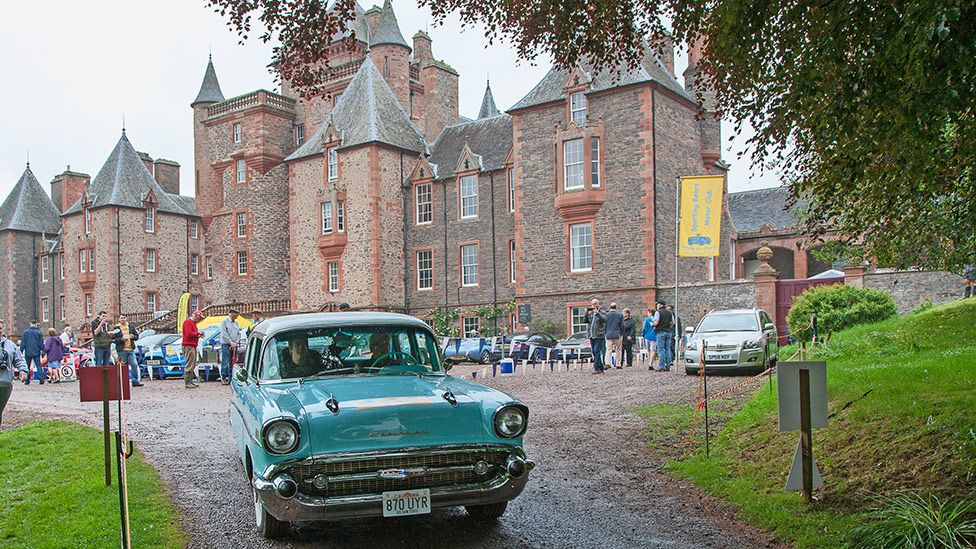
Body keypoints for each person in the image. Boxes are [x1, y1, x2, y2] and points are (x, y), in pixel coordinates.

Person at [0, 321, 28, 427]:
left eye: (0, 328)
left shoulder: (10, 345)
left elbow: (19, 359)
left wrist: (23, 371)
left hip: (5, 384)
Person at [113, 314, 142, 387]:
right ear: (119, 320)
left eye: (124, 318)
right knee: (122, 367)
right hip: (121, 350)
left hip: (130, 349)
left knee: (134, 365)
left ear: (126, 319)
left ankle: (135, 381)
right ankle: (122, 382)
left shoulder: (131, 327)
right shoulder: (116, 328)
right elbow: (113, 339)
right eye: (121, 318)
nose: (123, 319)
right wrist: (121, 339)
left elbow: (137, 336)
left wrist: (133, 336)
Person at [182, 310, 205, 389]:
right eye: (199, 318)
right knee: (189, 364)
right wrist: (198, 334)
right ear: (196, 316)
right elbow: (188, 334)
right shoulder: (188, 322)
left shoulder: (192, 323)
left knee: (192, 364)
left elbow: (191, 334)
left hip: (192, 345)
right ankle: (187, 382)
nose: (200, 320)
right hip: (188, 346)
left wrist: (198, 335)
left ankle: (190, 381)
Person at [220, 310, 242, 385]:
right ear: (231, 314)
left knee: (233, 361)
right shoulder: (224, 322)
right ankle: (224, 377)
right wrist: (230, 342)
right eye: (236, 315)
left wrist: (236, 342)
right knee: (225, 361)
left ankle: (231, 377)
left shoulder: (236, 322)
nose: (237, 317)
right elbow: (224, 333)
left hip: (234, 344)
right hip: (226, 344)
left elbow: (238, 333)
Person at [652, 301, 675, 371]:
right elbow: (673, 322)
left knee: (661, 349)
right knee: (668, 349)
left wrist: (652, 324)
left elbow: (656, 322)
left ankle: (661, 366)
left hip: (660, 332)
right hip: (668, 332)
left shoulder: (658, 312)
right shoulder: (670, 312)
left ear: (660, 305)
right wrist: (669, 327)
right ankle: (667, 365)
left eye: (657, 304)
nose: (657, 305)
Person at [587, 299, 608, 374]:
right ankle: (601, 368)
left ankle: (596, 368)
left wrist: (598, 313)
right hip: (591, 335)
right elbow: (586, 321)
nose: (593, 305)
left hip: (599, 335)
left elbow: (605, 320)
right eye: (592, 304)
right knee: (594, 352)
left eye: (595, 304)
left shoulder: (602, 312)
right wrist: (586, 314)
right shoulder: (591, 313)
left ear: (598, 304)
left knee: (596, 351)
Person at [604, 303, 624, 369]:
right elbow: (622, 325)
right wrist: (621, 333)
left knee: (608, 349)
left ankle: (607, 363)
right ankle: (618, 364)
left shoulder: (606, 315)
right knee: (618, 349)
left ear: (610, 307)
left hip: (608, 334)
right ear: (616, 307)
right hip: (617, 334)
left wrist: (605, 333)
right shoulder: (620, 315)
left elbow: (605, 325)